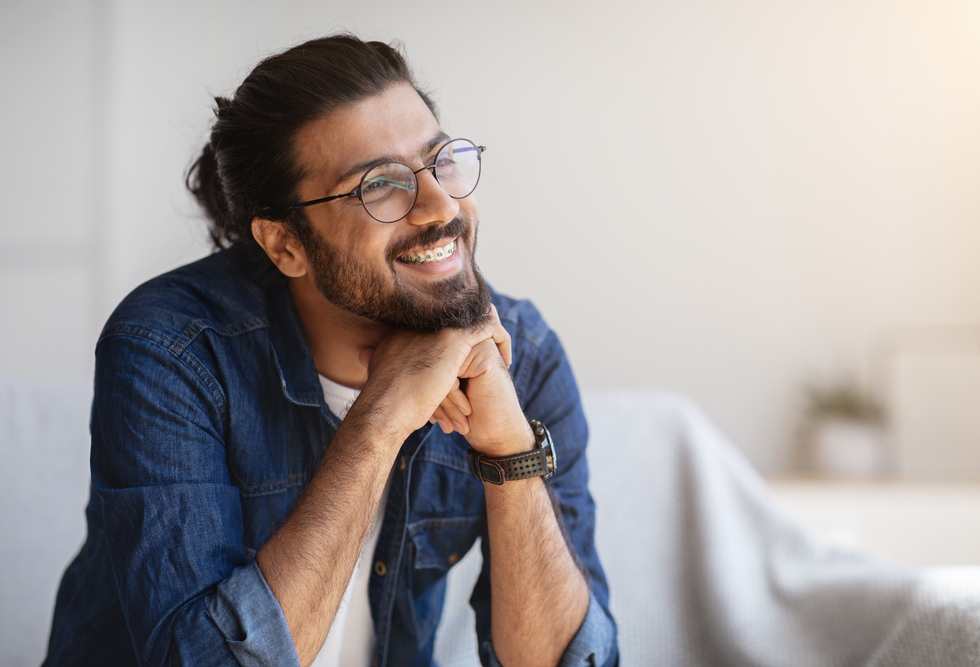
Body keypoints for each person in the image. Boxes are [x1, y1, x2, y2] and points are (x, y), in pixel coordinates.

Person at [43, 34, 617, 667]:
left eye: (440, 162)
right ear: (285, 244)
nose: (441, 206)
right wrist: (379, 420)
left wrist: (511, 453)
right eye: (380, 185)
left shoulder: (517, 356)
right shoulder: (172, 351)